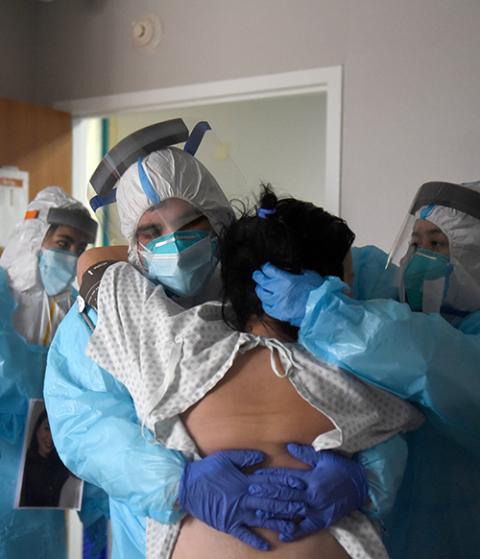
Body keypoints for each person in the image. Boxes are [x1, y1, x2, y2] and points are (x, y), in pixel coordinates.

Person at [44, 121, 376, 559]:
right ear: (135, 246)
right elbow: (84, 427)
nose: (174, 244)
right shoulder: (108, 316)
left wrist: (368, 476)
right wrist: (174, 485)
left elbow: (370, 397)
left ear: (218, 218)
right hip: (155, 526)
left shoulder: (270, 289)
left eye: (191, 224)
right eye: (151, 233)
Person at [83, 185, 423, 558]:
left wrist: (234, 248)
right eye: (347, 280)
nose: (352, 297)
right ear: (322, 287)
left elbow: (103, 273)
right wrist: (364, 482)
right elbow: (409, 411)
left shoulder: (177, 348)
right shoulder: (352, 373)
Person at [253, 180, 480, 558]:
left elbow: (433, 361)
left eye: (437, 244)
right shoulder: (393, 301)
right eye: (415, 243)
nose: (418, 256)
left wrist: (324, 312)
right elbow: (352, 268)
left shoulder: (455, 336)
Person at [0, 187, 108, 559]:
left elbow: (84, 408)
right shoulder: (3, 301)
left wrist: (96, 505)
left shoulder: (69, 317)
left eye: (80, 249)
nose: (72, 256)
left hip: (42, 497)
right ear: (34, 238)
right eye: (63, 242)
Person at [19, 410, 71, 507]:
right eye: (47, 429)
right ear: (37, 430)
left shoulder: (63, 467)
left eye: (56, 432)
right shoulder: (22, 463)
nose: (51, 437)